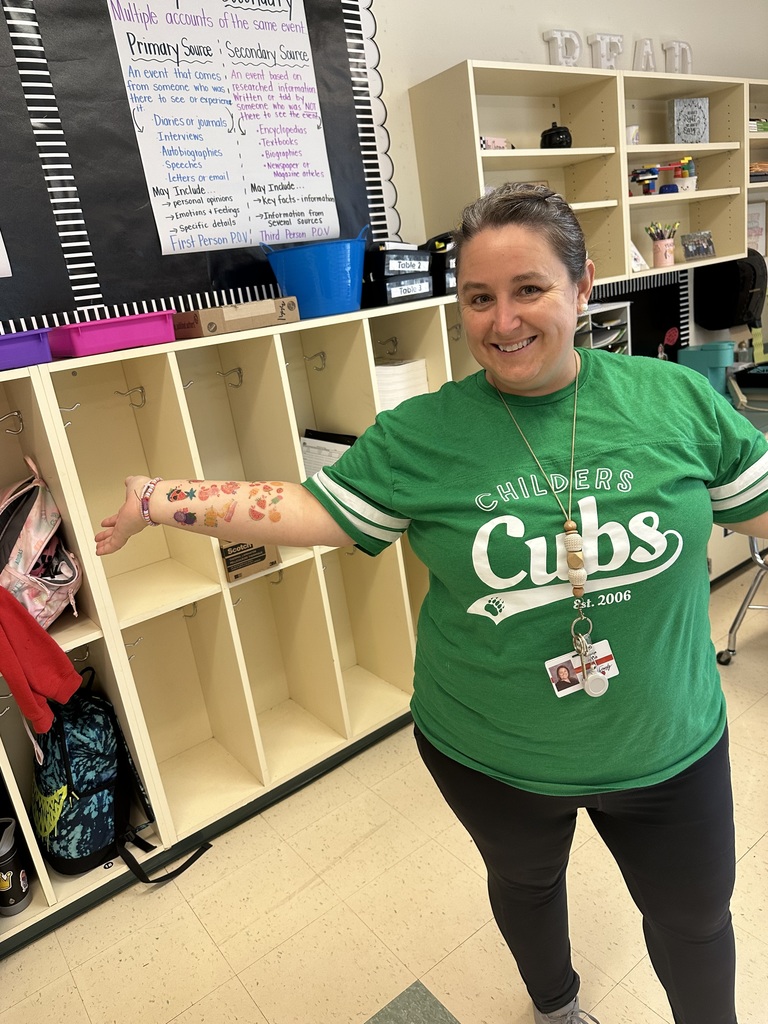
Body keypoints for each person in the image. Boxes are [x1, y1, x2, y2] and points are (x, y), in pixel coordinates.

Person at [95, 183, 768, 1024]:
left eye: (529, 289)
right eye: (478, 298)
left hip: (668, 746)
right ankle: (555, 1008)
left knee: (696, 922)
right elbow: (308, 509)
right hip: (491, 751)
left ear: (583, 285)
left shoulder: (676, 403)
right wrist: (162, 497)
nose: (502, 320)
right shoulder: (424, 435)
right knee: (526, 882)